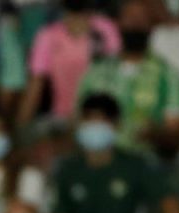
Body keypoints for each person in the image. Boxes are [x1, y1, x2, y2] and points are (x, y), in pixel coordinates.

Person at [49, 93, 179, 213]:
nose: (95, 127)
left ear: (116, 125)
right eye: (89, 121)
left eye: (102, 122)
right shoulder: (68, 169)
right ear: (79, 124)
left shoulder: (135, 166)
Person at [74, 0, 179, 155]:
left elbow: (176, 138)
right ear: (118, 23)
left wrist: (155, 134)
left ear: (152, 26)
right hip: (97, 158)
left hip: (145, 161)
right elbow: (77, 121)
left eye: (141, 19)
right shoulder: (97, 71)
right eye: (130, 18)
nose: (135, 23)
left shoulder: (170, 77)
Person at [19, 0, 119, 128]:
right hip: (61, 117)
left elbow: (116, 74)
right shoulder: (48, 35)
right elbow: (36, 84)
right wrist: (21, 125)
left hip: (100, 118)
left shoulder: (106, 29)